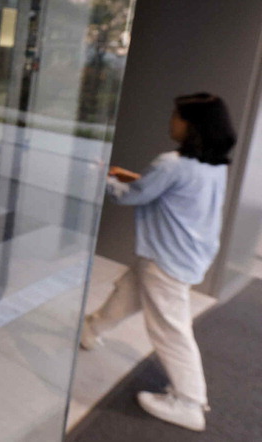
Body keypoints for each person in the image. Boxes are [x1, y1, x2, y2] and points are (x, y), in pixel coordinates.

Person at [80, 93, 237, 432]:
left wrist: (102, 178)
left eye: (176, 116)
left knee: (170, 329)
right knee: (128, 292)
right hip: (189, 254)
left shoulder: (171, 163)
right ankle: (91, 330)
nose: (171, 121)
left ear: (192, 125)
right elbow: (169, 190)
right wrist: (130, 176)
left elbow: (133, 196)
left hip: (166, 259)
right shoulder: (213, 164)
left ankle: (189, 402)